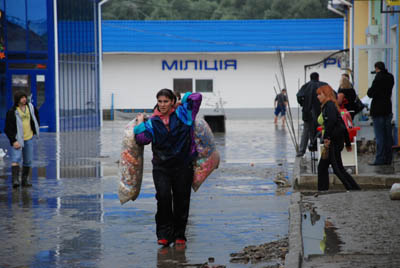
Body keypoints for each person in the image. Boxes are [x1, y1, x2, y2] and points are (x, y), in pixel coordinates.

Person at [134, 88, 202, 247]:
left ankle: (179, 236)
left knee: (182, 200)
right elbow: (142, 139)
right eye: (160, 101)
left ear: (172, 102)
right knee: (163, 198)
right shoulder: (152, 121)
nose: (162, 104)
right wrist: (139, 124)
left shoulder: (183, 114)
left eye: (166, 101)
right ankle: (164, 235)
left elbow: (197, 97)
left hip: (183, 165)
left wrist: (182, 99)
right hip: (161, 167)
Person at [316, 84, 360, 191]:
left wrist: (326, 138)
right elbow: (341, 125)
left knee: (337, 168)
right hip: (335, 140)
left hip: (333, 141)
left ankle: (351, 188)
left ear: (325, 94)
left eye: (319, 94)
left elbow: (332, 123)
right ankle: (323, 189)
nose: (318, 97)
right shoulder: (329, 106)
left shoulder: (329, 106)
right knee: (323, 167)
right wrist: (347, 142)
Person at [4, 91, 40, 188]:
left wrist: (36, 129)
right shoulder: (12, 111)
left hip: (29, 138)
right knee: (16, 159)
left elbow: (36, 117)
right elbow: (8, 128)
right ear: (17, 99)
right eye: (22, 97)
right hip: (18, 139)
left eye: (25, 97)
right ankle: (15, 181)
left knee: (28, 160)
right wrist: (13, 141)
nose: (24, 99)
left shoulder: (30, 107)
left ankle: (25, 180)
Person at [367, 61, 394, 165]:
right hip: (388, 108)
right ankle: (388, 158)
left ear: (377, 68)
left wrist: (371, 88)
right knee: (387, 135)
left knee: (379, 136)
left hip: (378, 110)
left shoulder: (378, 78)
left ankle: (380, 159)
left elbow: (370, 93)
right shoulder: (390, 77)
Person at [296, 72, 327, 157]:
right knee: (323, 130)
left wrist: (303, 104)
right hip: (322, 113)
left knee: (306, 131)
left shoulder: (305, 86)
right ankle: (323, 149)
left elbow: (298, 96)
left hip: (308, 113)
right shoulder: (324, 85)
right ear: (318, 77)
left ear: (310, 78)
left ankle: (301, 151)